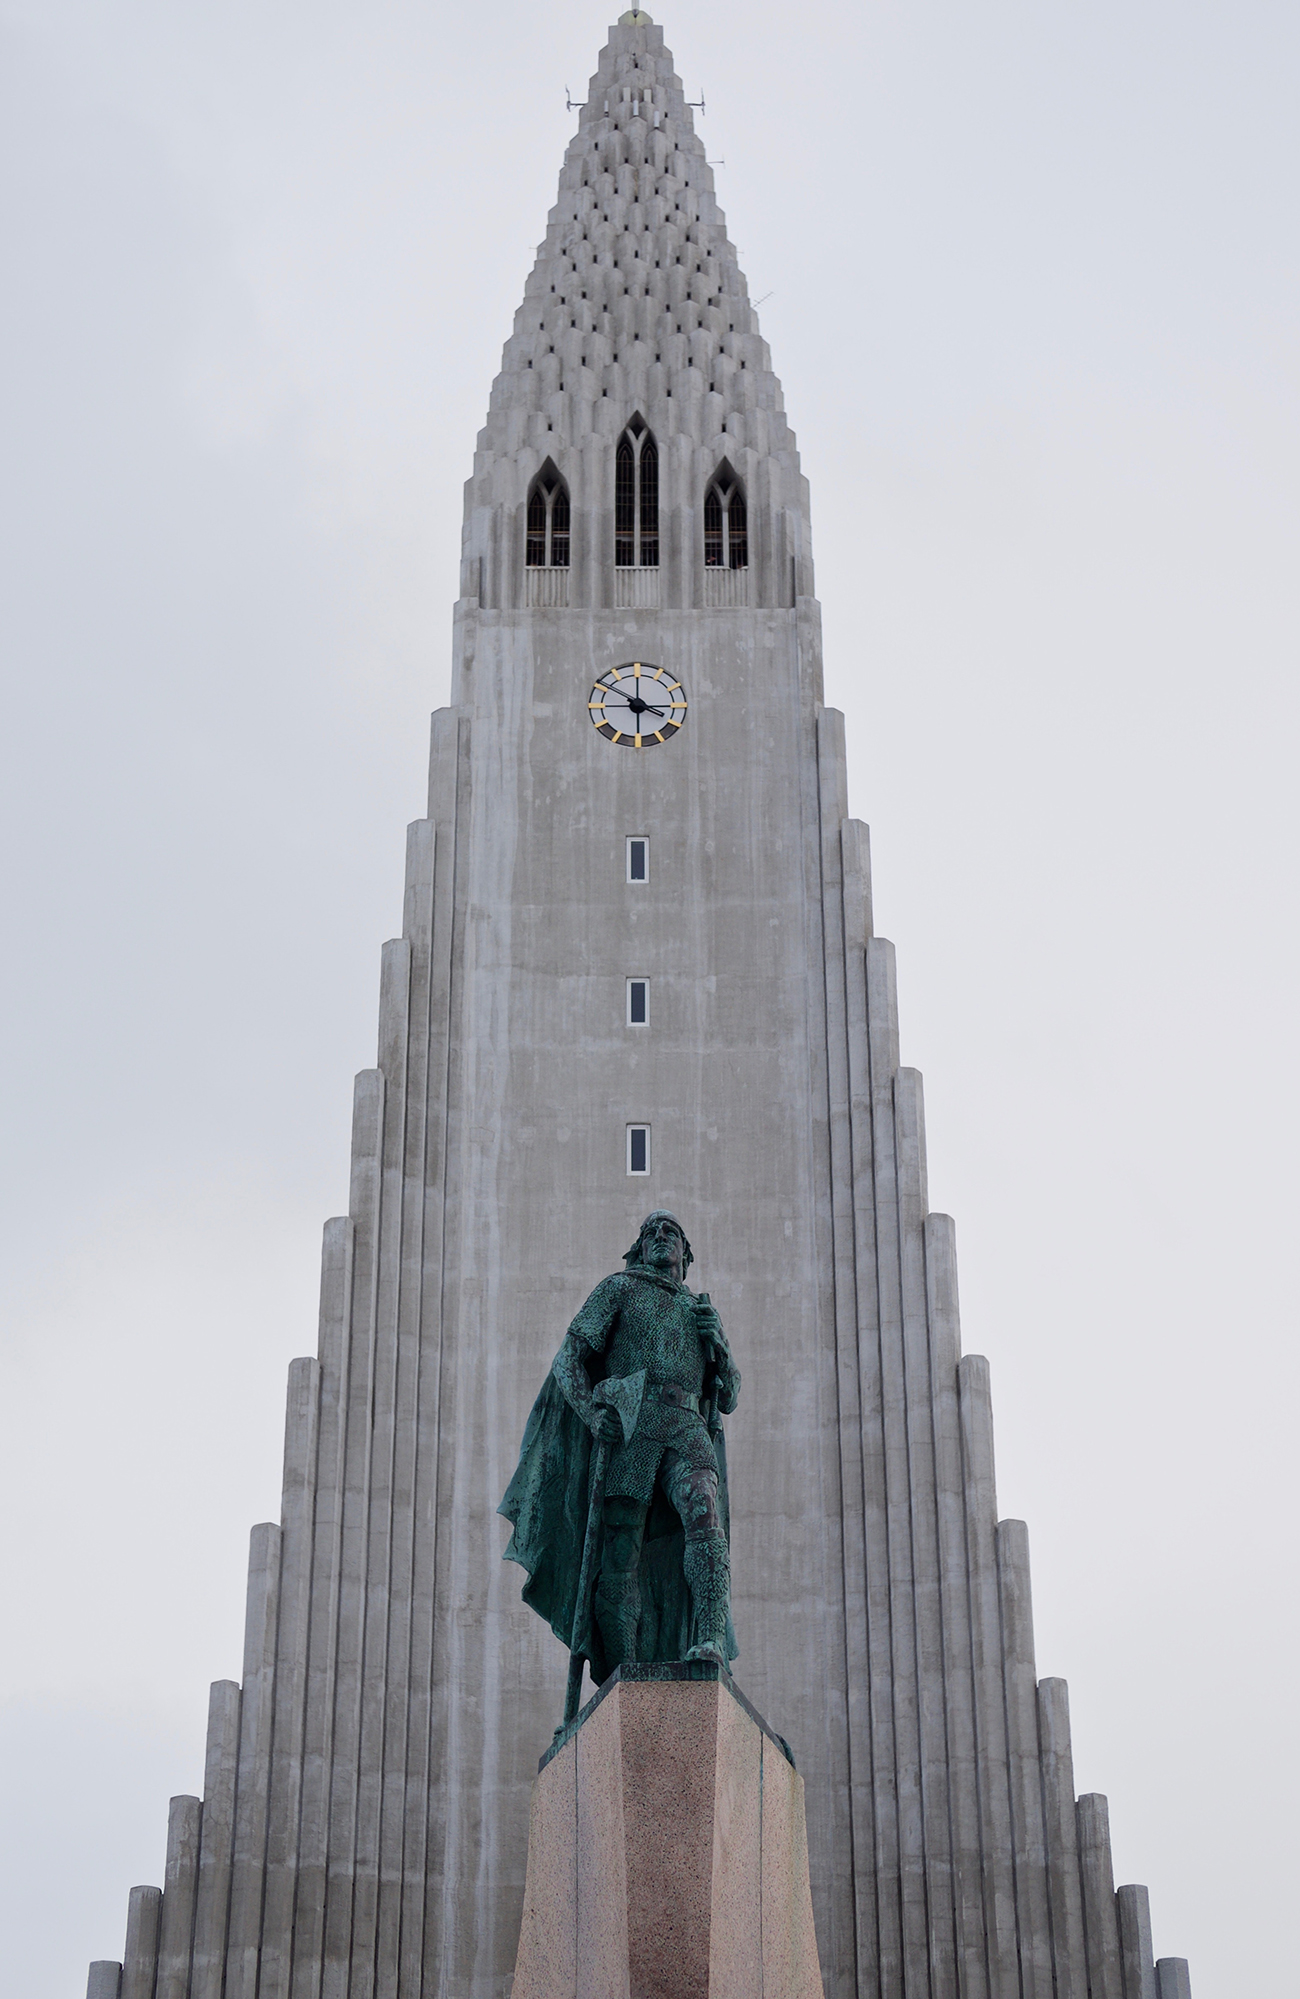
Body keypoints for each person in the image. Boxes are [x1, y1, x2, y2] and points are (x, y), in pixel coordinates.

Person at [499, 1211, 740, 1684]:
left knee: (703, 1510)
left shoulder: (700, 1311)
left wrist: (723, 1348)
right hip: (634, 1427)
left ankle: (709, 1638)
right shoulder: (619, 1288)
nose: (659, 1236)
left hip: (688, 1426)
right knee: (620, 1549)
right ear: (639, 1248)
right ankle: (624, 1666)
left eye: (670, 1231)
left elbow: (728, 1397)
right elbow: (570, 1358)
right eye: (650, 1232)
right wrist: (590, 1412)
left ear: (685, 1255)